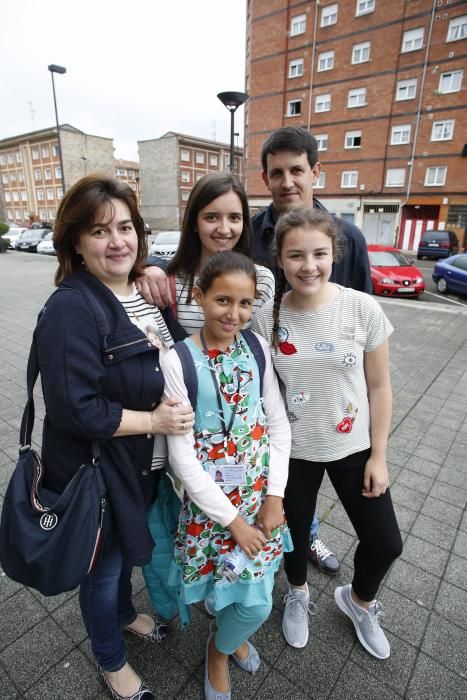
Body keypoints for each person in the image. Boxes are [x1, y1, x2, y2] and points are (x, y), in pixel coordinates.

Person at [35, 175, 195, 700]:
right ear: (76, 242)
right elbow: (73, 408)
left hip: (141, 465)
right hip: (97, 471)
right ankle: (111, 661)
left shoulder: (145, 293)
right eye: (100, 231)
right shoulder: (72, 307)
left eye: (125, 227)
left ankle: (125, 614)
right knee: (102, 569)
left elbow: (170, 364)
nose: (117, 241)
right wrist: (154, 422)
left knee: (127, 551)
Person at [252, 208, 402, 658]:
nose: (308, 265)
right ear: (280, 259)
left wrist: (379, 455)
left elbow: (380, 386)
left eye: (319, 253)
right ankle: (296, 593)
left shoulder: (362, 308)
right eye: (295, 255)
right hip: (292, 451)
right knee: (292, 534)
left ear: (334, 253)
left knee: (385, 542)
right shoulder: (267, 317)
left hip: (353, 446)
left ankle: (359, 601)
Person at [160, 251, 291, 699]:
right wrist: (230, 520)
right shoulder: (177, 360)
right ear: (199, 296)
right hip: (211, 509)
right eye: (222, 300)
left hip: (258, 503)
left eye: (245, 303)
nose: (234, 314)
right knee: (226, 583)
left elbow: (277, 422)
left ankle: (220, 649)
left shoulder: (256, 348)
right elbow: (182, 458)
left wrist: (275, 496)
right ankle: (227, 641)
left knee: (258, 601)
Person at [253, 126, 373, 576]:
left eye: (297, 170)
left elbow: (362, 322)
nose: (287, 182)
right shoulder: (251, 236)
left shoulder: (348, 238)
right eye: (277, 172)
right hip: (268, 382)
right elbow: (206, 261)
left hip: (325, 383)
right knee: (283, 480)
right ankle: (287, 538)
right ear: (265, 179)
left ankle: (309, 537)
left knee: (321, 468)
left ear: (316, 172)